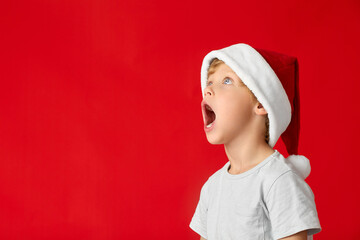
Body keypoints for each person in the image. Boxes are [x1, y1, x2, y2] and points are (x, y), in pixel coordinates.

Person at [189, 43, 321, 240]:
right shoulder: (212, 187)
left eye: (226, 81)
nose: (207, 90)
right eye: (209, 82)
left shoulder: (279, 180)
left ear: (261, 102)